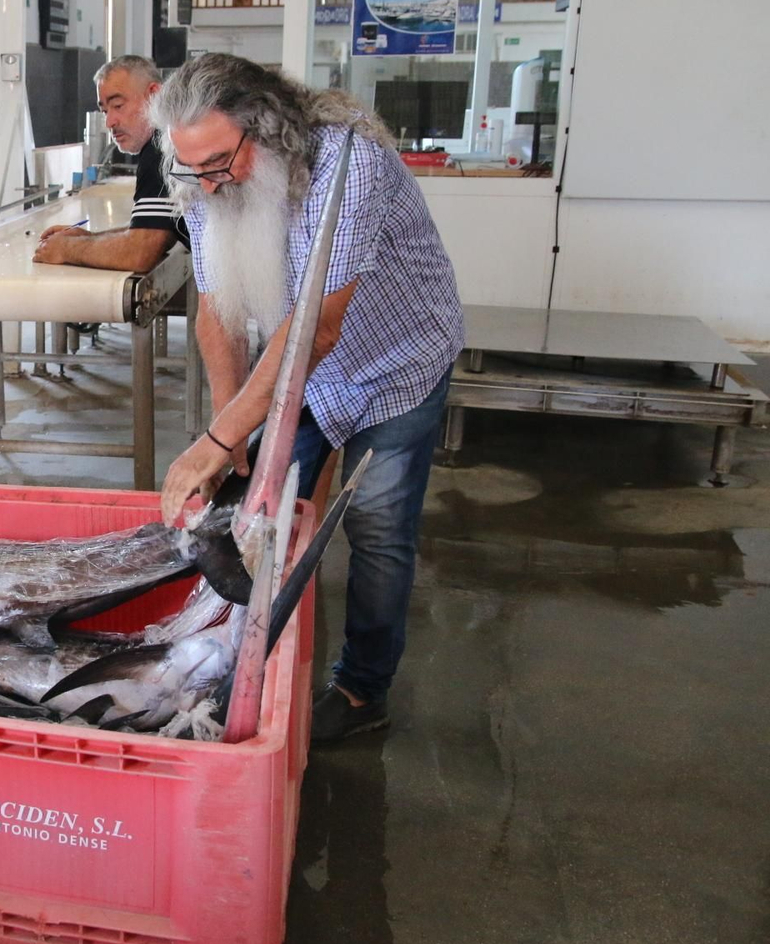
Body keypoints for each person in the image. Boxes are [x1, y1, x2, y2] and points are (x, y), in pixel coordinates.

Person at [151, 54, 464, 742]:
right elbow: (219, 312)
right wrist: (229, 438)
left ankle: (361, 689)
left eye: (220, 160)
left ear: (264, 130)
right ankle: (241, 656)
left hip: (397, 361)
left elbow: (316, 326)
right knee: (256, 511)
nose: (207, 181)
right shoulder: (207, 182)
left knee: (377, 526)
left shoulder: (349, 164)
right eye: (191, 166)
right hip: (308, 374)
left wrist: (224, 438)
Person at [33, 55, 189, 271]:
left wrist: (67, 248)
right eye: (105, 110)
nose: (109, 122)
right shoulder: (168, 136)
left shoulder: (160, 146)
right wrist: (88, 239)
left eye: (118, 105)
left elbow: (140, 253)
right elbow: (159, 231)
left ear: (154, 95)